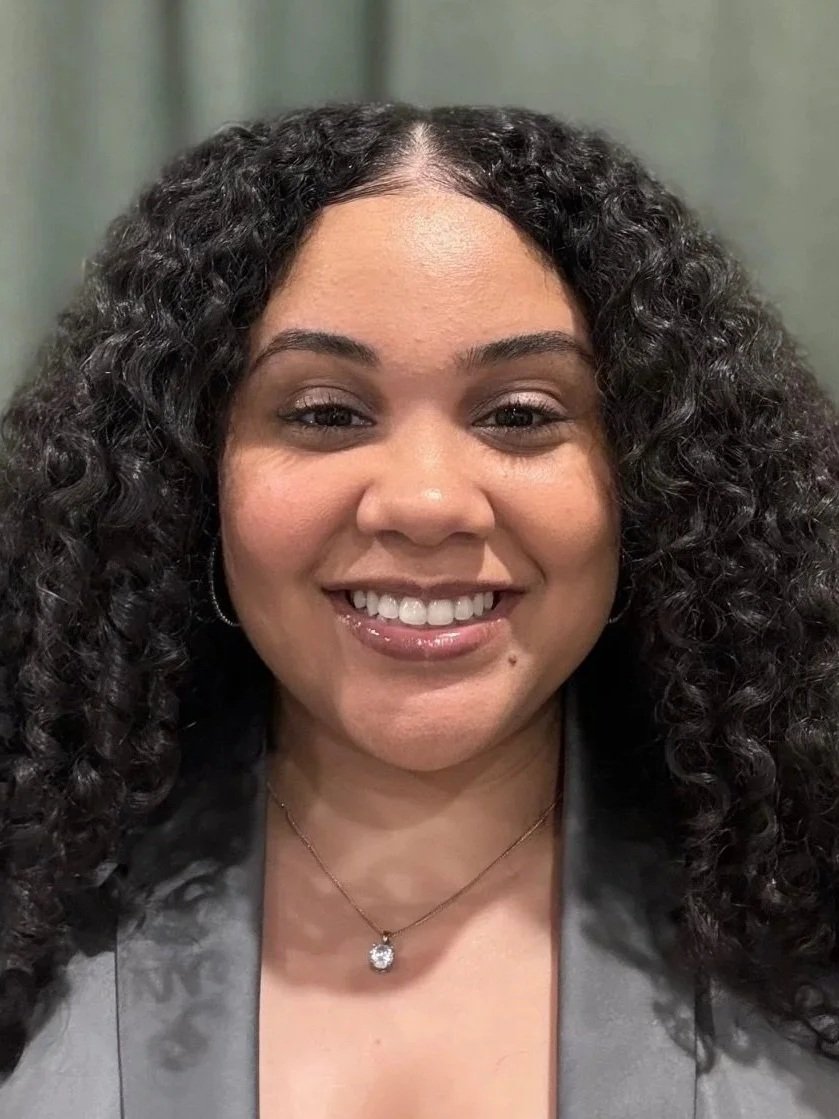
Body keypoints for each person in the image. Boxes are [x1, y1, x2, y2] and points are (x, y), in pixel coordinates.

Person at [0, 100, 837, 1118]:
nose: (426, 503)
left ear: (656, 480)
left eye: (520, 415)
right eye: (324, 413)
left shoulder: (807, 923)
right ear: (182, 476)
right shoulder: (30, 911)